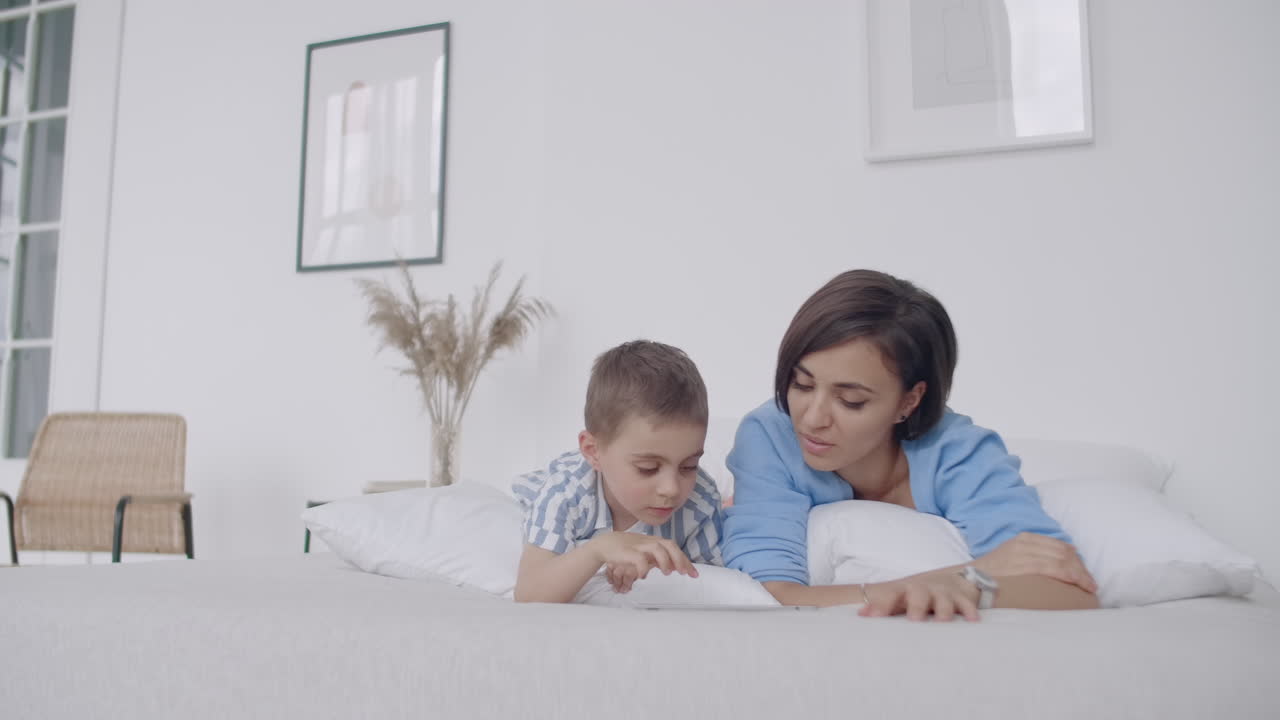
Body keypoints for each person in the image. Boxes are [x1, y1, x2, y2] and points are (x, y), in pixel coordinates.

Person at [722, 270, 1100, 620]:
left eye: (851, 400)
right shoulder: (771, 434)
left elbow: (1070, 589)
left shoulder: (960, 454)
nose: (812, 417)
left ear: (909, 401)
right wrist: (943, 579)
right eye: (801, 385)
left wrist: (966, 587)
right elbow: (765, 595)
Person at [512, 340, 723, 603]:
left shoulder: (701, 502)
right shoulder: (565, 491)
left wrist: (653, 566)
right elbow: (529, 594)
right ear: (593, 451)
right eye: (648, 468)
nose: (671, 488)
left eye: (689, 466)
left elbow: (711, 586)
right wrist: (599, 548)